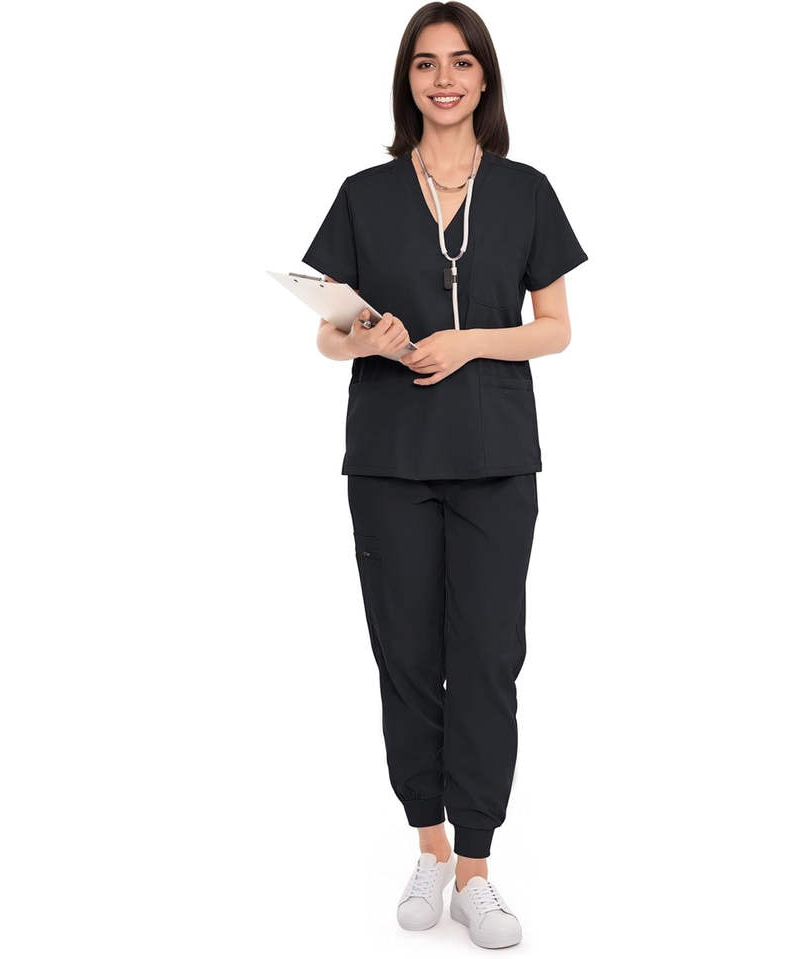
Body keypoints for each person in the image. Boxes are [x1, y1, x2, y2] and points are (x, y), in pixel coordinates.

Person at [302, 4, 587, 949]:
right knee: (407, 655)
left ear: (483, 78)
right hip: (390, 460)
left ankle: (476, 867)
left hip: (495, 457)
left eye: (461, 63)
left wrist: (467, 343)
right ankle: (427, 845)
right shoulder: (364, 194)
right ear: (408, 81)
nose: (444, 79)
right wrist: (367, 337)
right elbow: (327, 335)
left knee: (491, 658)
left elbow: (556, 329)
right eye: (426, 64)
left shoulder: (526, 191)